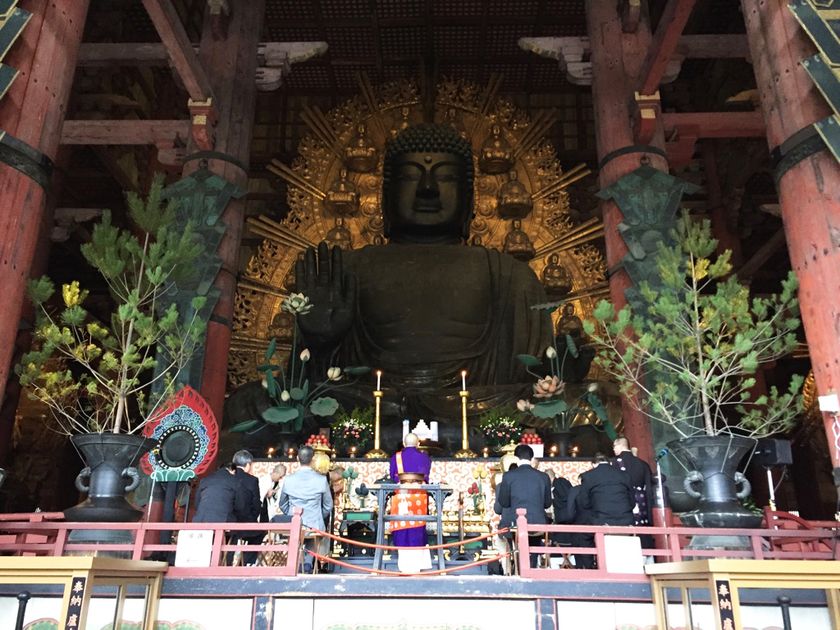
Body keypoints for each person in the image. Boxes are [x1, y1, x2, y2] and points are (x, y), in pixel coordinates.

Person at [292, 123, 553, 436]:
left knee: (588, 402)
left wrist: (559, 372)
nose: (427, 188)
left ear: (469, 199)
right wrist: (321, 343)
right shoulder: (348, 268)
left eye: (445, 177)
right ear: (386, 198)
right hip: (374, 404)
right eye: (410, 177)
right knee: (260, 401)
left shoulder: (511, 276)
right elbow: (302, 377)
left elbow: (536, 379)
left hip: (477, 406)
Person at [494, 444, 552, 569]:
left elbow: (504, 503)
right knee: (534, 543)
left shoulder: (509, 476)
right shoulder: (543, 477)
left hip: (516, 522)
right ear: (532, 458)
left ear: (516, 458)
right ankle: (533, 565)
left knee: (517, 542)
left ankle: (520, 567)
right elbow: (547, 504)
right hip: (539, 523)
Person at [574, 453, 636, 569]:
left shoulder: (589, 476)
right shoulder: (624, 475)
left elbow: (585, 503)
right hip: (626, 522)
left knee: (583, 534)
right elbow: (632, 502)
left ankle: (590, 567)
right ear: (609, 462)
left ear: (593, 464)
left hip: (602, 521)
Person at [279, 445, 334, 573]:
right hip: (314, 523)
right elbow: (328, 505)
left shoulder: (289, 479)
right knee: (313, 537)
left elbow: (282, 503)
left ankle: (297, 562)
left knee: (297, 538)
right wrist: (319, 515)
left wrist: (290, 515)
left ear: (298, 458)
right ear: (313, 460)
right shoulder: (321, 480)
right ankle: (308, 563)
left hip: (294, 523)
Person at [387, 432, 433, 573]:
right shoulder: (425, 458)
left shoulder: (396, 457)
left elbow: (392, 477)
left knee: (402, 528)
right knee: (417, 528)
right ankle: (418, 564)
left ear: (404, 443)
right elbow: (427, 477)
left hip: (402, 497)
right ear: (418, 443)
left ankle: (404, 564)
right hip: (419, 497)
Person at [612, 436, 654, 535]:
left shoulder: (615, 463)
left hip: (623, 500)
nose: (613, 449)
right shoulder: (643, 464)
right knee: (643, 532)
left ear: (620, 445)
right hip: (642, 500)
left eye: (614, 446)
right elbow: (649, 486)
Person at [231, 449, 262, 566]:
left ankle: (225, 563)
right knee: (259, 534)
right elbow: (256, 504)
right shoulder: (252, 480)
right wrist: (252, 518)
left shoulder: (227, 476)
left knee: (230, 538)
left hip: (227, 522)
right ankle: (246, 563)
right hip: (245, 522)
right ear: (248, 465)